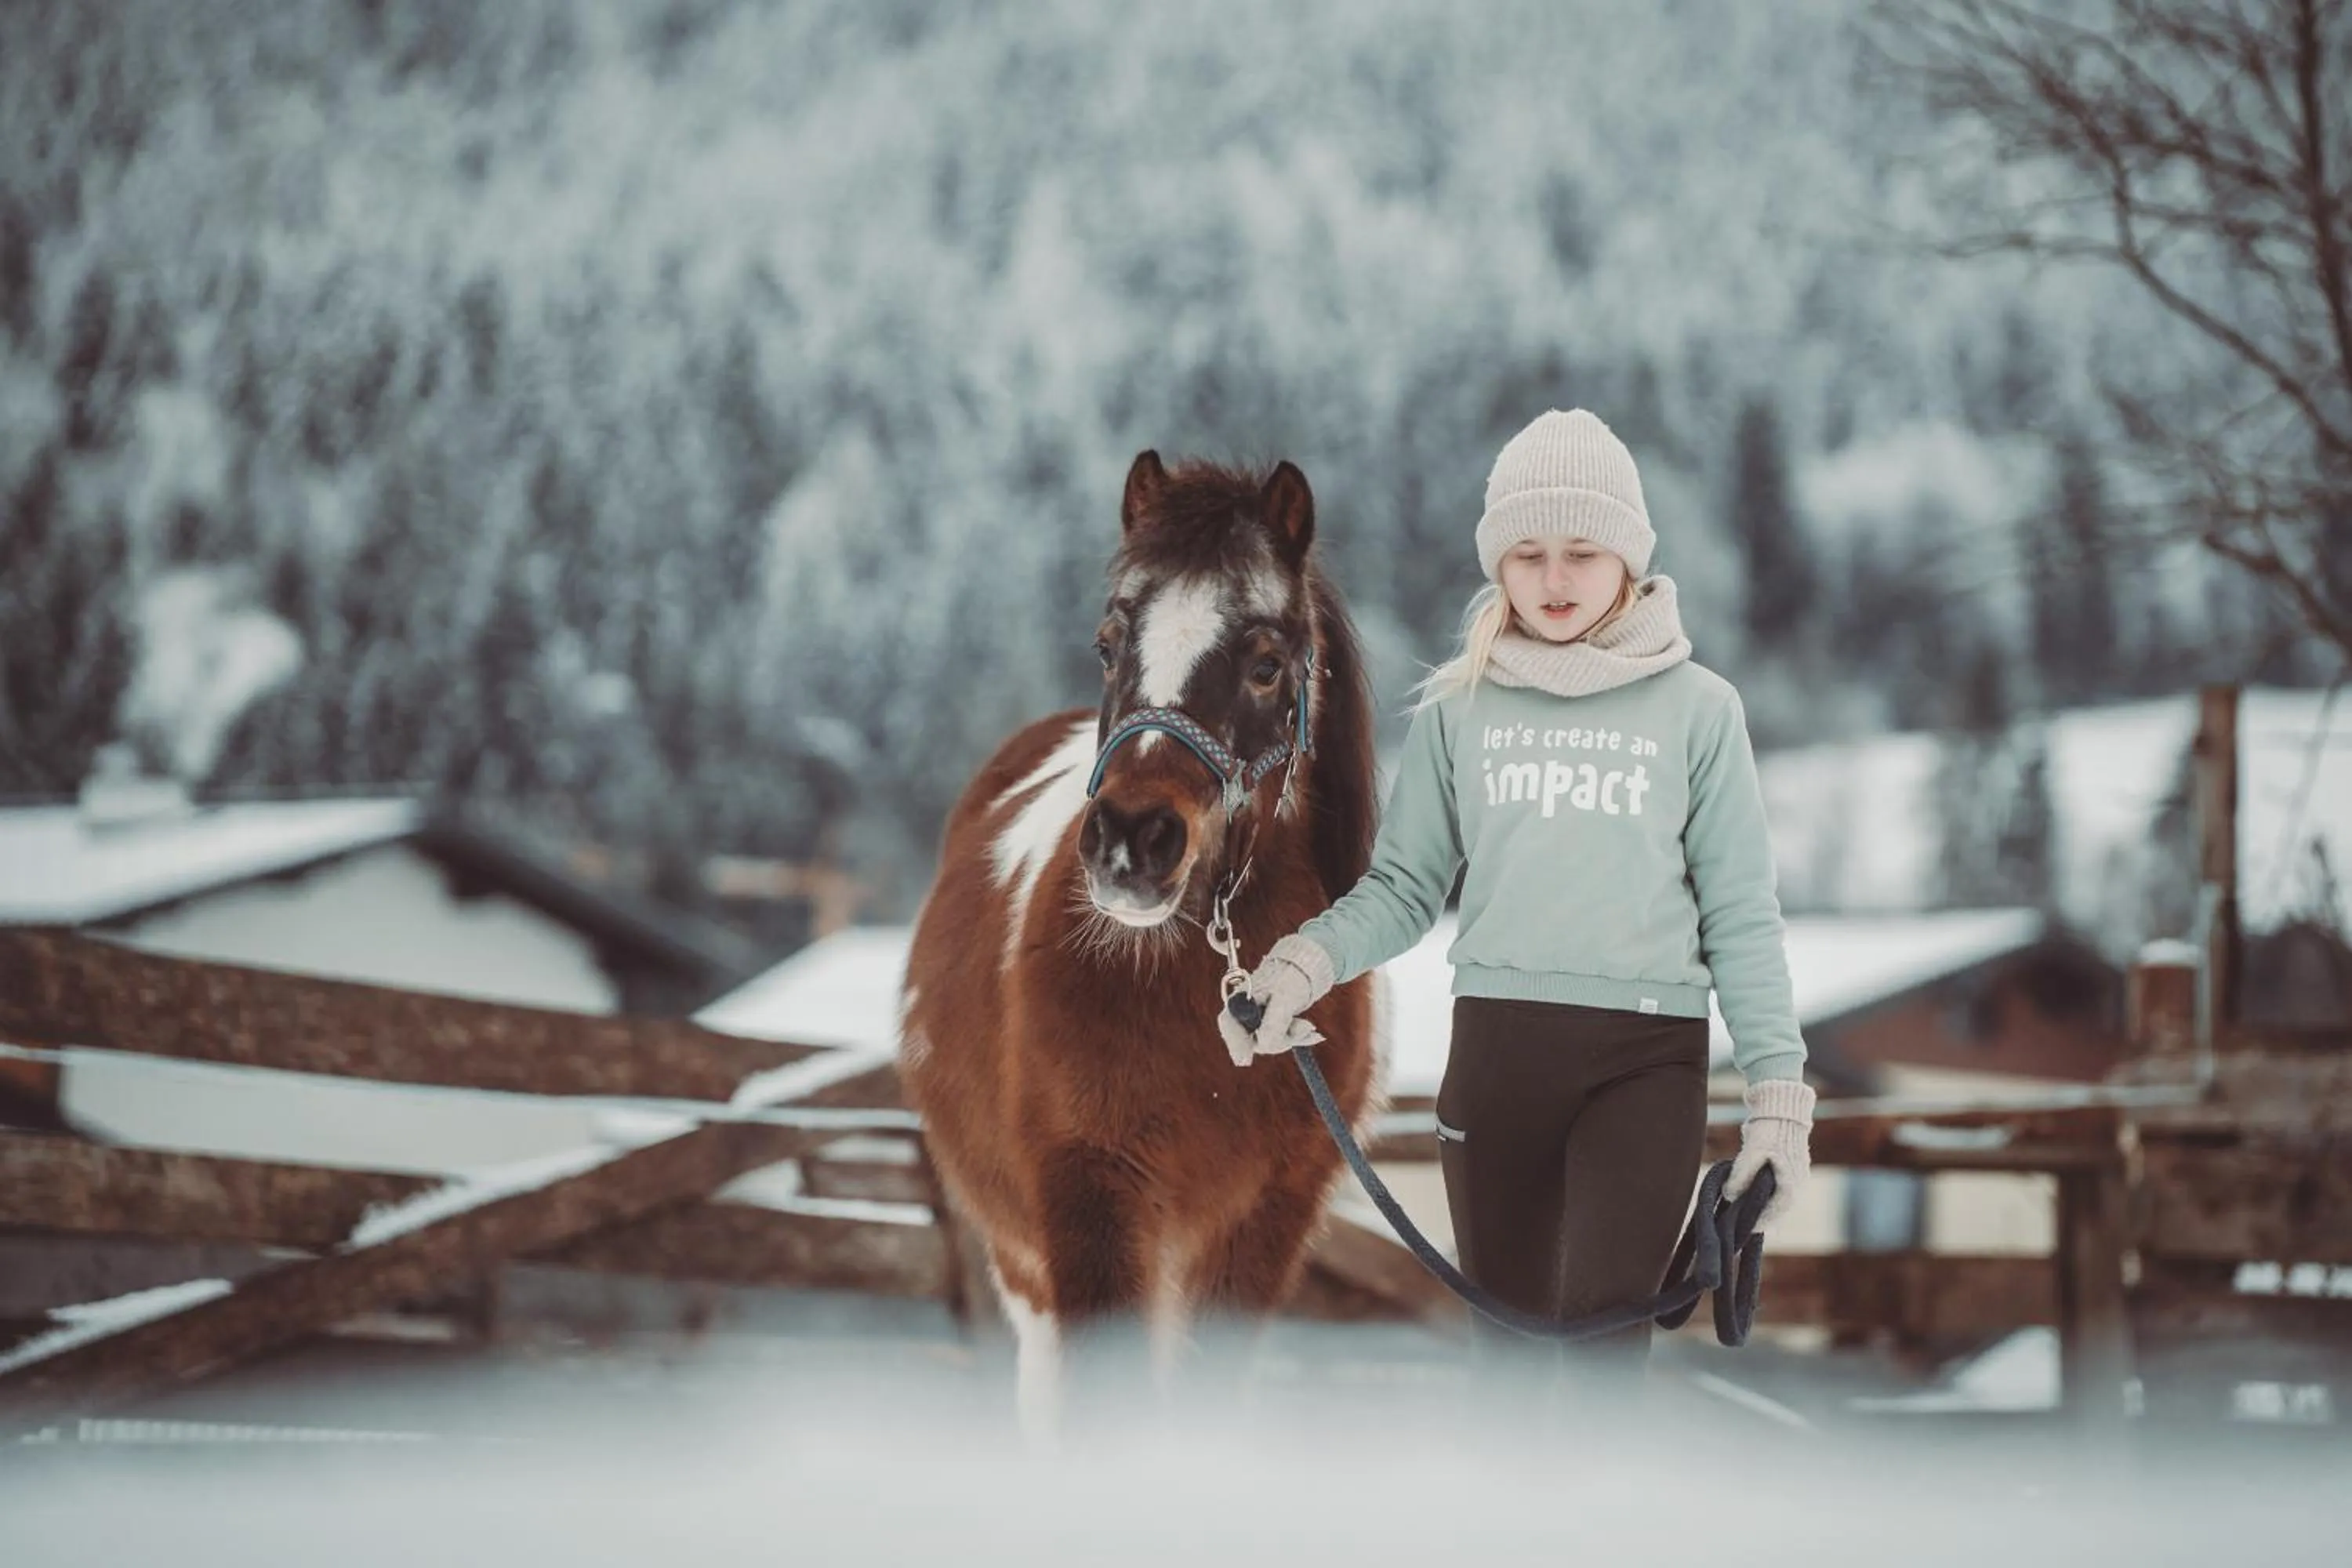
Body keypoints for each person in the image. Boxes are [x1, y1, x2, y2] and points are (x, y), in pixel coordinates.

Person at [1218, 408, 1813, 1424]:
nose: (1554, 578)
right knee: (1508, 1371)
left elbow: (1741, 917)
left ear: (1628, 556)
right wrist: (1298, 968)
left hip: (1646, 1064)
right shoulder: (1460, 709)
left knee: (1602, 1356)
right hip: (1499, 1060)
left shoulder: (1700, 711)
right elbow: (1403, 889)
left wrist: (1778, 1107)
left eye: (1582, 551)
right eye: (1528, 554)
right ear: (1499, 563)